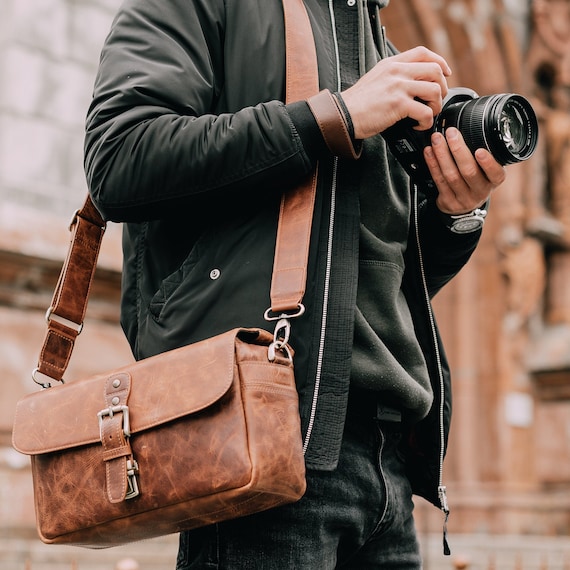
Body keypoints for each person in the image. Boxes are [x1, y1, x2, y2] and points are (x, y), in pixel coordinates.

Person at [84, 0, 507, 568]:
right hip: (267, 432)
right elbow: (121, 156)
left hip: (387, 463)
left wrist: (455, 215)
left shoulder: (374, 41)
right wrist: (334, 117)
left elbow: (370, 277)